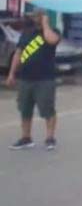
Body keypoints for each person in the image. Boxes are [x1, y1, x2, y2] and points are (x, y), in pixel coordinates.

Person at [6, 11, 61, 150]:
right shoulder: (26, 33)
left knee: (47, 109)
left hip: (45, 79)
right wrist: (12, 73)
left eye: (37, 16)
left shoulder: (52, 31)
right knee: (25, 109)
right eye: (33, 16)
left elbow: (52, 40)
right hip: (25, 79)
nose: (33, 18)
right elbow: (18, 53)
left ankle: (49, 138)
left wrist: (45, 24)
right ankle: (26, 138)